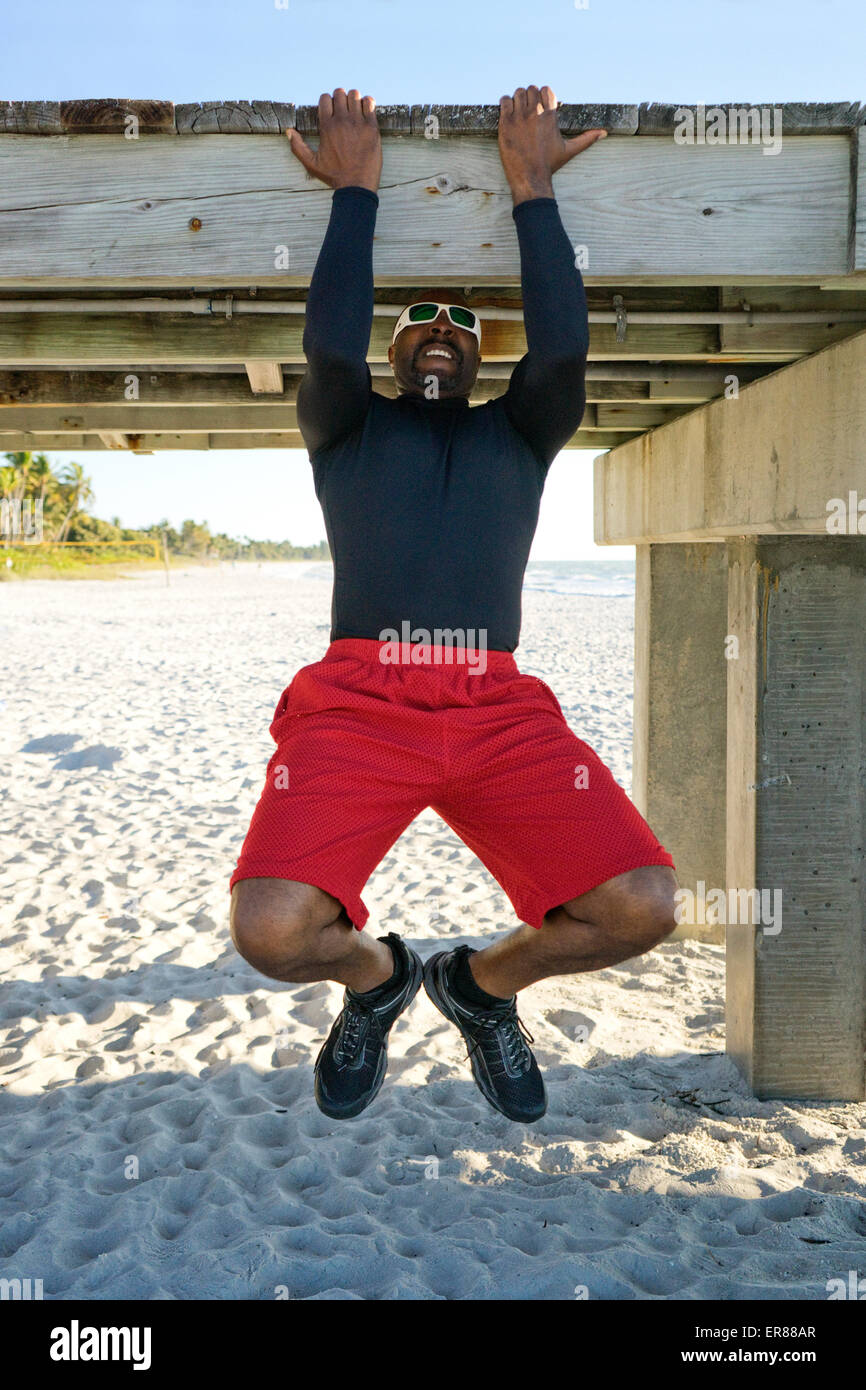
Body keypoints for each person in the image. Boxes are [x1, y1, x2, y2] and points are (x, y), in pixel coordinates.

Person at [229, 86, 677, 1124]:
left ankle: (480, 986)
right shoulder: (345, 426)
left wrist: (531, 186)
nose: (439, 329)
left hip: (497, 707)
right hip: (356, 705)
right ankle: (377, 978)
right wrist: (355, 189)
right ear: (395, 356)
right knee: (272, 932)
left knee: (641, 907)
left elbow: (560, 354)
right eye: (419, 321)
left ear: (479, 359)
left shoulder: (515, 435)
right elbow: (331, 347)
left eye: (461, 322)